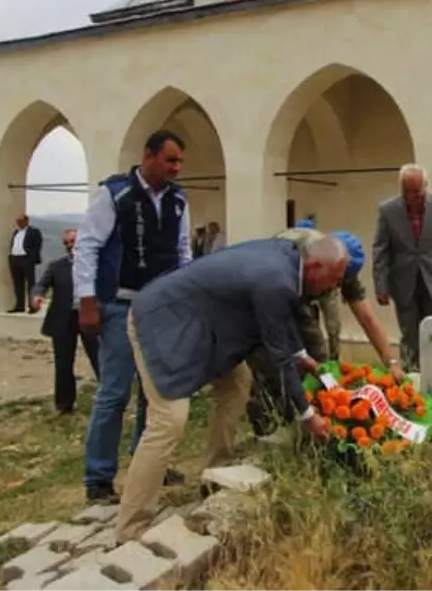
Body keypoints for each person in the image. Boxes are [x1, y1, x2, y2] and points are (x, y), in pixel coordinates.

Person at [114, 235, 345, 541]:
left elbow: (280, 323)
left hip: (201, 325)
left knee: (237, 384)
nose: (334, 287)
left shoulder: (287, 260)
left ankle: (213, 476)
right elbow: (280, 359)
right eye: (334, 278)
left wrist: (301, 355)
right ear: (314, 266)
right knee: (169, 419)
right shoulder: (275, 278)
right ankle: (130, 527)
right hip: (162, 322)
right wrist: (308, 416)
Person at [74, 129, 193, 503]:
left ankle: (149, 465)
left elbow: (183, 251)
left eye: (179, 162)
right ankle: (98, 478)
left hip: (158, 309)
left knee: (153, 394)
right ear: (149, 155)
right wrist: (87, 301)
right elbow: (88, 247)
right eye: (170, 160)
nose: (176, 168)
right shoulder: (115, 194)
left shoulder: (177, 201)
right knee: (114, 392)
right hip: (118, 306)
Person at [246, 226, 405, 436]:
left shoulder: (342, 262)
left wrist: (391, 362)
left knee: (318, 362)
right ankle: (267, 423)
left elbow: (365, 315)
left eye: (342, 280)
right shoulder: (300, 257)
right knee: (271, 360)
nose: (337, 285)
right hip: (265, 297)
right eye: (336, 278)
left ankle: (317, 419)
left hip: (299, 297)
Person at [372, 163, 432, 371]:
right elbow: (381, 250)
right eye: (410, 192)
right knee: (409, 334)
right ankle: (411, 377)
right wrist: (381, 286)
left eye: (419, 190)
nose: (416, 195)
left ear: (426, 185)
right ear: (402, 190)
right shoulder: (388, 211)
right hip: (404, 283)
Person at [31, 228, 100, 414]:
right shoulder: (56, 266)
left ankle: (110, 399)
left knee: (99, 357)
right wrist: (37, 296)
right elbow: (41, 284)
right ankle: (64, 403)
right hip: (63, 318)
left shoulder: (95, 264)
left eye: (74, 241)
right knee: (63, 362)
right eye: (67, 243)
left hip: (89, 316)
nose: (71, 246)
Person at [7, 215, 44, 313]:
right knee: (18, 284)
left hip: (26, 259)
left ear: (26, 221)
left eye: (21, 221)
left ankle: (32, 306)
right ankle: (19, 306)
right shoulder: (16, 232)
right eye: (17, 221)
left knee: (31, 284)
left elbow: (38, 244)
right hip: (15, 259)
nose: (19, 223)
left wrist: (32, 257)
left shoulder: (33, 231)